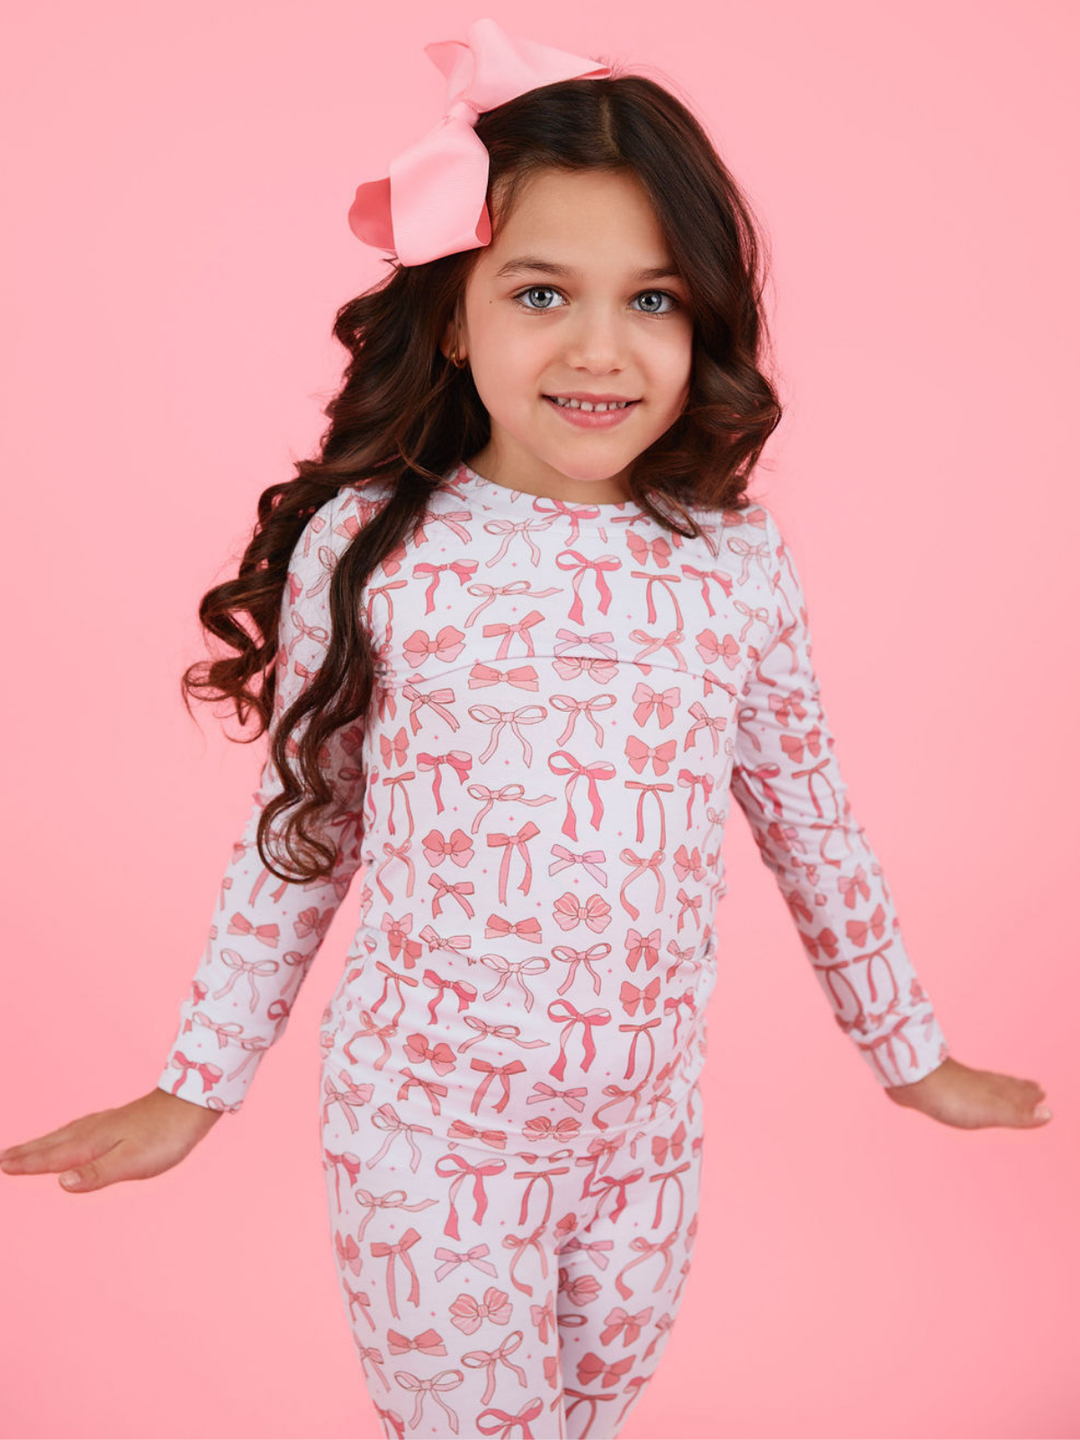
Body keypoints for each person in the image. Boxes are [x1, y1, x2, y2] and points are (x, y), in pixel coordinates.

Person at [0, 18, 1052, 1440]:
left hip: (645, 1146)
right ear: (455, 310)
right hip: (427, 1143)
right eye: (542, 291)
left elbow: (811, 820)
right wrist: (196, 1087)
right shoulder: (374, 548)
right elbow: (305, 832)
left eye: (654, 299)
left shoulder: (734, 564)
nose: (600, 350)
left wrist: (910, 1055)